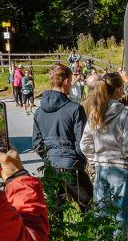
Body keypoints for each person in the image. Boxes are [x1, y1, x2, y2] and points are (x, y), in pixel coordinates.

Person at [79, 71, 128, 240]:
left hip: (102, 170)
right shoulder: (127, 115)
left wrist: (94, 160)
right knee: (122, 220)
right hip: (122, 169)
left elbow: (84, 144)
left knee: (103, 218)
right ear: (120, 90)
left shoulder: (95, 114)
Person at [31, 63, 91, 210]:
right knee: (89, 207)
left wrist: (49, 157)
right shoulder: (75, 109)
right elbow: (81, 142)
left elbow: (37, 143)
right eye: (70, 81)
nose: (71, 85)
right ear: (65, 81)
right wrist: (81, 160)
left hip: (51, 167)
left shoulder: (39, 112)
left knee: (56, 210)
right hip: (72, 165)